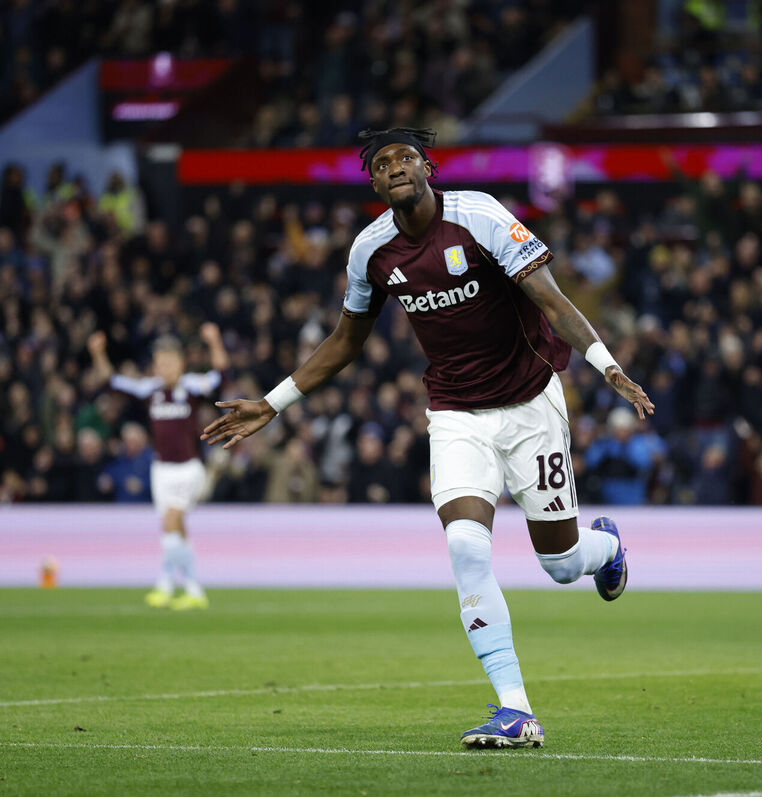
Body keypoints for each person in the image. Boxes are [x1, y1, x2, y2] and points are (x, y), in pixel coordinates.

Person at [201, 128, 653, 749]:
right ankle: (516, 710)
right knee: (466, 547)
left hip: (530, 404)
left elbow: (551, 301)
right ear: (373, 182)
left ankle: (606, 548)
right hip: (456, 413)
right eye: (382, 163)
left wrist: (608, 367)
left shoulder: (480, 216)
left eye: (406, 157)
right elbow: (346, 340)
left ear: (427, 167)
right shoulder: (370, 251)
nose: (395, 167)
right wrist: (273, 403)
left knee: (560, 563)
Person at [88, 323, 229, 610]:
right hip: (161, 470)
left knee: (171, 520)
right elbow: (112, 382)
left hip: (188, 468)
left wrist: (215, 341)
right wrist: (97, 353)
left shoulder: (192, 386)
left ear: (181, 363)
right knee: (174, 529)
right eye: (160, 363)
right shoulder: (148, 389)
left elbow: (221, 375)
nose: (165, 369)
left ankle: (166, 583)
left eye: (170, 363)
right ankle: (193, 590)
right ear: (155, 366)